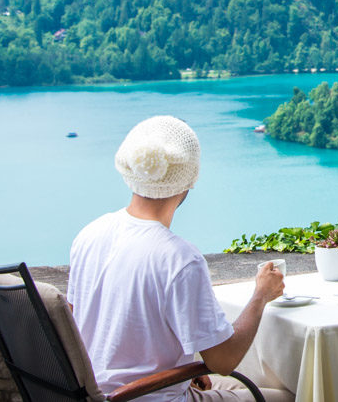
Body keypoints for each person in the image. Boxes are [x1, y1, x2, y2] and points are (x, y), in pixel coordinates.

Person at [66, 115, 294, 402]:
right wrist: (261, 295)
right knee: (290, 396)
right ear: (190, 178)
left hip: (99, 395)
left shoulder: (89, 235)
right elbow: (223, 362)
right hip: (153, 397)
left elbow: (79, 327)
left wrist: (183, 368)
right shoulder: (179, 258)